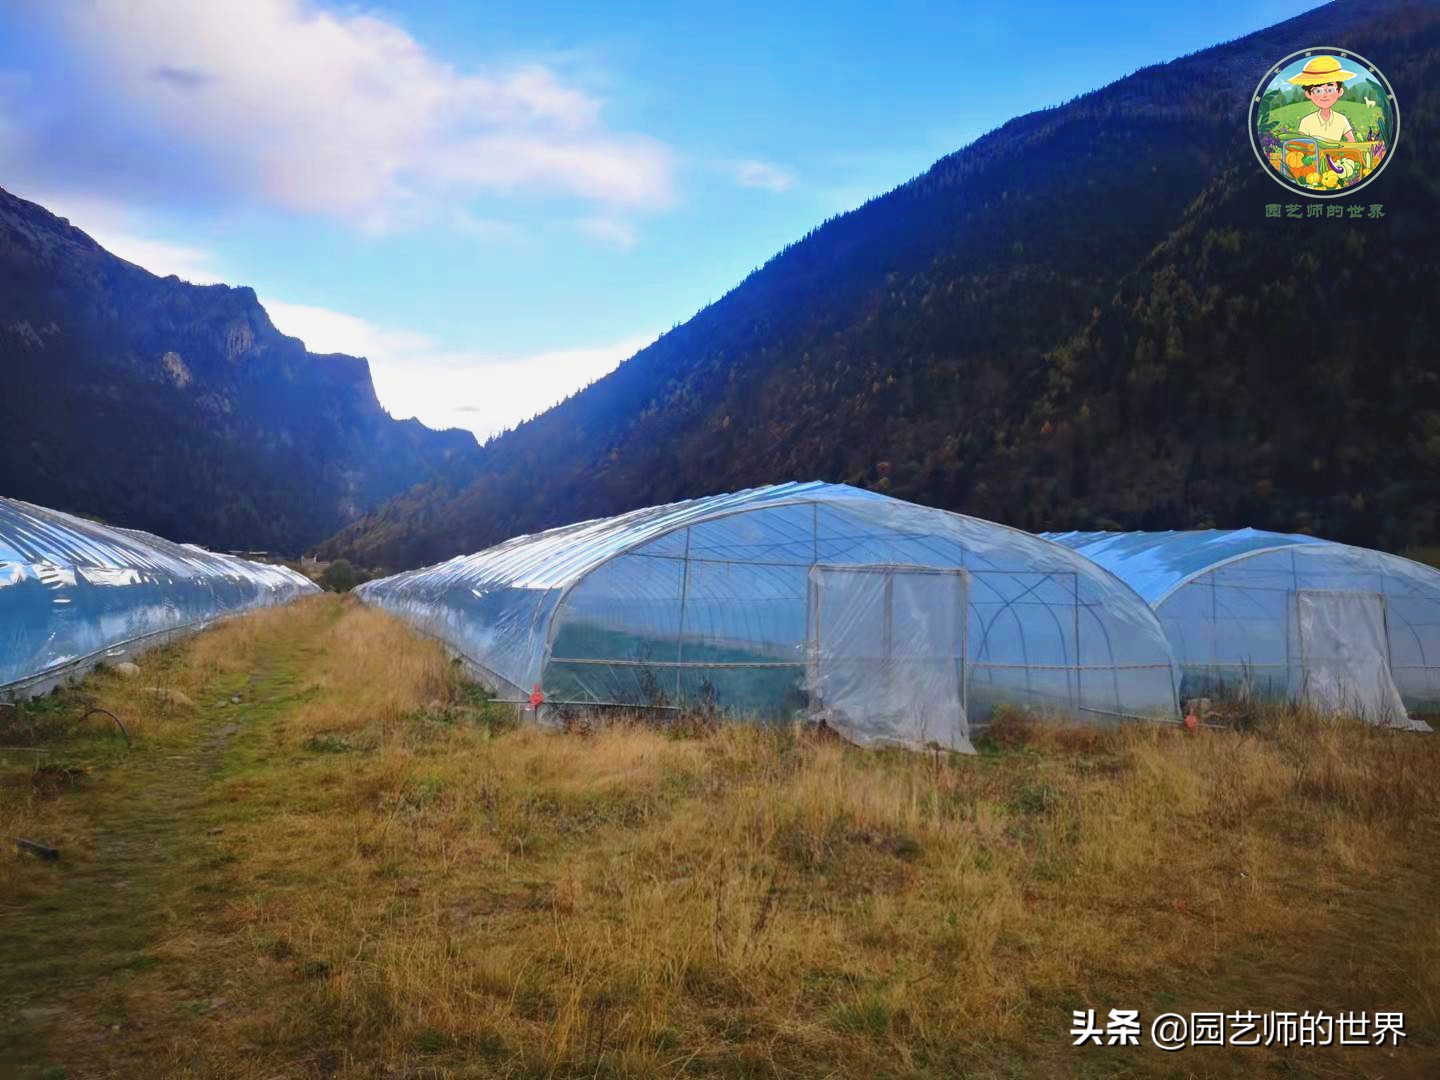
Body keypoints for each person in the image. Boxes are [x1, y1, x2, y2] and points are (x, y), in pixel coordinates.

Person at [1289, 55, 1357, 143]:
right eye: (1318, 91)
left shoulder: (1341, 119)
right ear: (1308, 94)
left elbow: (1351, 140)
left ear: (1339, 92)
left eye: (1330, 90)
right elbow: (1301, 144)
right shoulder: (1306, 121)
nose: (1324, 95)